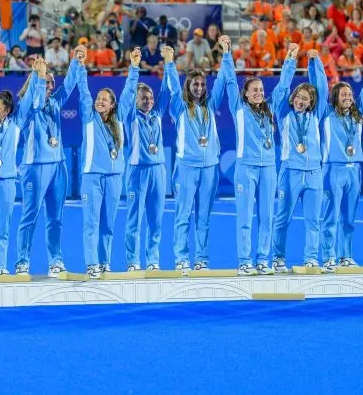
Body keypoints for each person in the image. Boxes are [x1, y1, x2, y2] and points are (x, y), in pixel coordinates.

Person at [0, 58, 48, 279]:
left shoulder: (16, 123)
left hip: (7, 182)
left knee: (2, 228)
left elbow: (30, 99)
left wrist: (37, 76)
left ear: (7, 111)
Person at [221, 41, 297, 275]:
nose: (259, 93)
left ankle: (263, 260)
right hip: (246, 168)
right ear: (245, 94)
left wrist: (290, 60)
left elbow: (283, 87)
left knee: (267, 216)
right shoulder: (239, 109)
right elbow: (231, 82)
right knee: (245, 217)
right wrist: (226, 54)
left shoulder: (270, 110)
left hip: (268, 169)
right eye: (254, 90)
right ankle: (245, 261)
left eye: (261, 90)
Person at [163, 35, 234, 275]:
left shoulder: (210, 106)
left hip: (209, 168)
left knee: (203, 217)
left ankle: (201, 258)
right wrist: (170, 62)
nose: (199, 88)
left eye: (203, 85)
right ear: (189, 86)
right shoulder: (179, 107)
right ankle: (182, 258)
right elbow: (173, 87)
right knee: (183, 215)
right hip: (186, 168)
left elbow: (223, 81)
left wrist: (226, 54)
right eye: (195, 85)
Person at [13, 52, 83, 276]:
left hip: (58, 166)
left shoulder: (54, 103)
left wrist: (75, 61)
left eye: (51, 82)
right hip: (35, 167)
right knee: (29, 215)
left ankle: (55, 260)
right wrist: (38, 76)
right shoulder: (25, 107)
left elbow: (70, 85)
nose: (50, 86)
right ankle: (22, 262)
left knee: (55, 218)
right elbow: (33, 101)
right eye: (46, 82)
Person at [118, 46, 174, 272]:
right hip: (137, 171)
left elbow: (168, 92)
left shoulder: (157, 114)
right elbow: (127, 94)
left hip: (158, 171)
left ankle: (152, 260)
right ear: (136, 100)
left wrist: (169, 63)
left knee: (156, 220)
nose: (149, 100)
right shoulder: (129, 115)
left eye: (150, 97)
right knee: (134, 219)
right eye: (143, 97)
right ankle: (133, 261)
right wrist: (134, 68)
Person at [271, 46, 325, 271]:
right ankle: (278, 257)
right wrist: (290, 60)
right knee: (283, 218)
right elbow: (282, 88)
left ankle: (311, 258)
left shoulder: (316, 115)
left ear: (311, 102)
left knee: (314, 221)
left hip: (314, 173)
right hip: (290, 171)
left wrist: (315, 63)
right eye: (299, 97)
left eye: (306, 98)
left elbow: (321, 87)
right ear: (292, 99)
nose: (302, 101)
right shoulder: (283, 113)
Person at [317, 60, 363, 270]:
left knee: (349, 218)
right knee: (330, 216)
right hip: (333, 170)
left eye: (350, 95)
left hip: (354, 171)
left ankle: (345, 256)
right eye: (344, 95)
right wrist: (317, 64)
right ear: (335, 98)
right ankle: (329, 256)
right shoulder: (326, 114)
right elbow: (321, 86)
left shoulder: (357, 116)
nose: (348, 98)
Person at [76, 47, 126, 277]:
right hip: (92, 178)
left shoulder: (120, 120)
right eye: (98, 99)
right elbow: (83, 91)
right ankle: (91, 263)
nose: (99, 101)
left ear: (112, 105)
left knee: (108, 224)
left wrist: (133, 67)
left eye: (104, 100)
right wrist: (80, 64)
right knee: (90, 223)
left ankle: (105, 261)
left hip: (114, 178)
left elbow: (128, 94)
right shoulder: (88, 117)